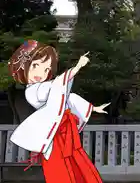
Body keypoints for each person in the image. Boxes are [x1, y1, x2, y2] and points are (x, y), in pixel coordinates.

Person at [7, 40, 109, 183]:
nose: (40, 73)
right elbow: (59, 85)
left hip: (64, 131)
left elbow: (67, 96)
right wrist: (77, 66)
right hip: (53, 135)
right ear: (24, 67)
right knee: (59, 166)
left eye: (46, 69)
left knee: (76, 163)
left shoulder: (47, 86)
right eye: (35, 65)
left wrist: (93, 108)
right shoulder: (32, 91)